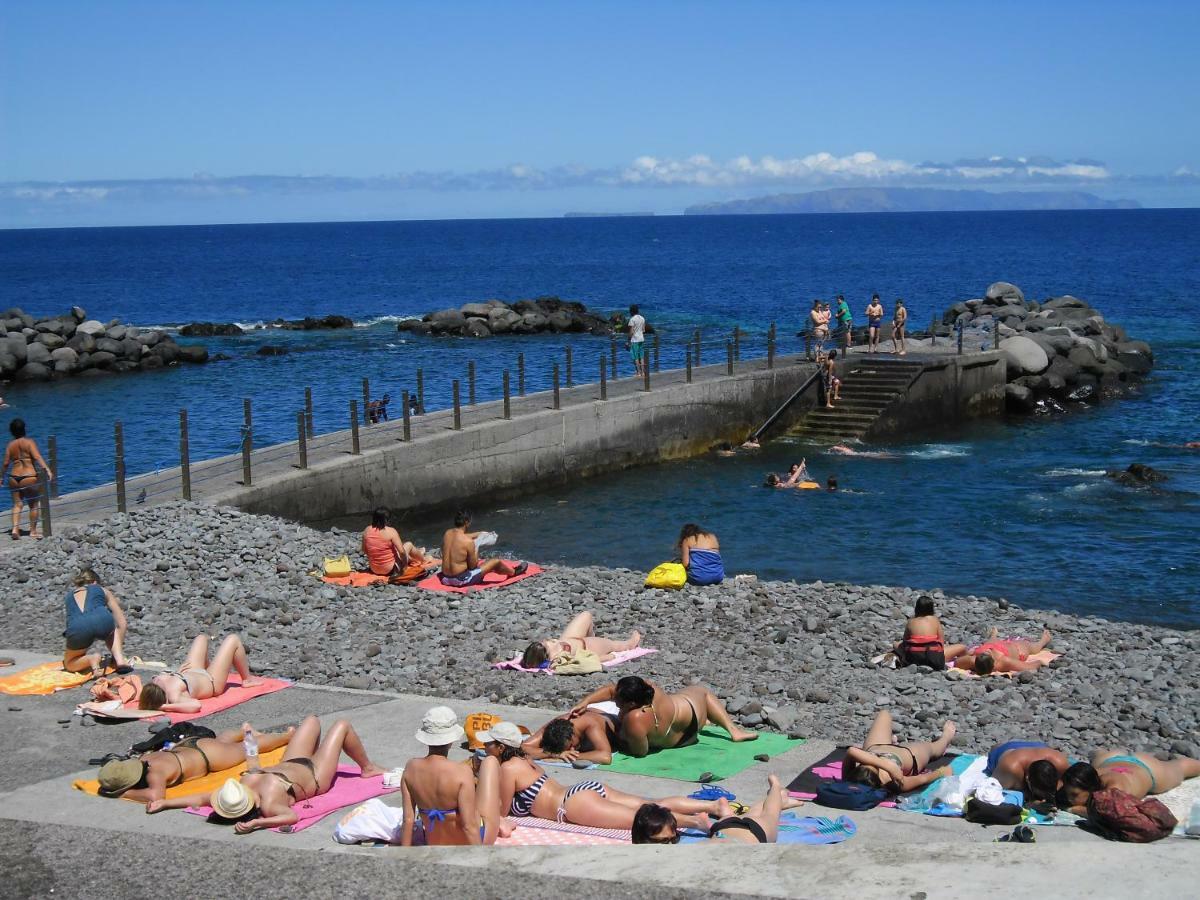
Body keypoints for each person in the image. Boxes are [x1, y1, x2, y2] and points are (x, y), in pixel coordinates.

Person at [148, 715, 386, 832]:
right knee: (342, 725)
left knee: (312, 720)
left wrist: (165, 803)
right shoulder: (271, 803)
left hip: (291, 762)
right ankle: (367, 768)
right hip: (314, 775)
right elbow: (291, 817)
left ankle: (319, 752)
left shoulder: (244, 784)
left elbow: (200, 798)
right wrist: (258, 824)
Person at [484, 720, 723, 830]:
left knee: (641, 819)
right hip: (582, 790)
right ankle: (713, 806)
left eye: (489, 745)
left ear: (501, 747)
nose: (485, 749)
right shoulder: (526, 759)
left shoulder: (507, 769)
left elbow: (501, 811)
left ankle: (696, 822)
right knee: (650, 804)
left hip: (572, 805)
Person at [97, 724, 294, 803]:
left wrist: (123, 793)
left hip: (207, 756)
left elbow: (155, 795)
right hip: (189, 747)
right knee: (224, 742)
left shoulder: (154, 774)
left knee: (249, 747)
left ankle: (287, 736)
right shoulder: (143, 760)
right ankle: (244, 729)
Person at [569, 675, 757, 757]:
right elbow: (611, 690)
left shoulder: (635, 719)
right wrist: (586, 702)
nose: (614, 700)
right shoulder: (648, 688)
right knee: (701, 692)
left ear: (632, 704)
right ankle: (733, 730)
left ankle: (728, 729)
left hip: (680, 738)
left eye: (618, 701)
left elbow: (640, 752)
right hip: (692, 711)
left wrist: (621, 733)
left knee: (699, 692)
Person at [400, 706, 508, 845]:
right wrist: (478, 858)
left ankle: (502, 822)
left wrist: (404, 855)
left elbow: (408, 820)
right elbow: (469, 826)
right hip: (468, 842)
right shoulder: (461, 772)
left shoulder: (410, 768)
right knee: (490, 762)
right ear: (451, 740)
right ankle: (503, 821)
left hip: (436, 841)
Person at [632, 774, 805, 844]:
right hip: (725, 828)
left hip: (746, 831)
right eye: (665, 841)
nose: (670, 845)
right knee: (754, 814)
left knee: (770, 812)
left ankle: (775, 787)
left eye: (673, 839)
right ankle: (781, 799)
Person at [138, 633, 262, 713]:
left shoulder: (157, 680)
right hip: (211, 681)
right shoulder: (174, 696)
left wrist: (176, 674)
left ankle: (213, 666)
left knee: (201, 638)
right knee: (233, 639)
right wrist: (164, 707)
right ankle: (247, 679)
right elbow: (195, 706)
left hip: (190, 672)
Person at [842, 710, 956, 794]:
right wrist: (941, 772)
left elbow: (852, 751)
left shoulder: (848, 776)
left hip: (877, 746)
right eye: (874, 767)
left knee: (884, 714)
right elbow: (923, 779)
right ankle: (946, 737)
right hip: (909, 755)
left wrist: (887, 766)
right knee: (935, 748)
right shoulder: (894, 782)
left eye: (864, 763)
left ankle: (891, 741)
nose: (871, 764)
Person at [1060, 751, 1200, 813]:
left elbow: (1106, 812)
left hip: (1148, 769)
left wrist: (1072, 809)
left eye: (1074, 794)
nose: (1069, 798)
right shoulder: (1086, 778)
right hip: (1109, 761)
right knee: (1097, 753)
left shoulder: (1115, 789)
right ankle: (1100, 751)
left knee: (1181, 767)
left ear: (1091, 788)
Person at [63, 568, 131, 677]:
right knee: (112, 631)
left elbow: (71, 620)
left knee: (69, 663)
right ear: (95, 582)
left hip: (78, 626)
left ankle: (91, 659)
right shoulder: (102, 590)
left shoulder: (69, 597)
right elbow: (122, 623)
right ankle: (119, 661)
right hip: (102, 619)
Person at [519, 610, 642, 669]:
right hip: (586, 646)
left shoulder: (546, 650)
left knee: (586, 615)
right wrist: (607, 658)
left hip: (570, 638)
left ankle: (592, 635)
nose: (547, 641)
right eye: (547, 644)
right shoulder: (558, 658)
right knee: (616, 646)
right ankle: (630, 644)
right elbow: (583, 661)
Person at [439, 509, 525, 588]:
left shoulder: (447, 533)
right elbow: (473, 567)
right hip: (460, 580)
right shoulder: (468, 542)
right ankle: (513, 572)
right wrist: (477, 545)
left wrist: (479, 534)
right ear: (467, 522)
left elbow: (460, 537)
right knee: (495, 562)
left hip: (445, 579)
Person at [3, 418, 52, 540]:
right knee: (33, 505)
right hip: (29, 476)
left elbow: (5, 463)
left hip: (14, 477)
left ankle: (15, 529)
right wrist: (47, 469)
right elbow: (37, 456)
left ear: (12, 431)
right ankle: (33, 531)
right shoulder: (29, 442)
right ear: (24, 429)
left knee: (17, 504)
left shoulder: (10, 445)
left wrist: (0, 477)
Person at [984, 740, 1072, 804]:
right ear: (1027, 779)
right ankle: (999, 745)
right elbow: (991, 791)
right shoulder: (1011, 769)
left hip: (1038, 746)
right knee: (996, 748)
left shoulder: (1060, 762)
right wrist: (1031, 802)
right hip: (1007, 750)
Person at [361, 507, 438, 578]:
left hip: (374, 569)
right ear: (386, 520)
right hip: (390, 570)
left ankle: (417, 555)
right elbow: (402, 552)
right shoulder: (391, 531)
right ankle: (423, 559)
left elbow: (364, 550)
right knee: (408, 545)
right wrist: (404, 566)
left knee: (394, 549)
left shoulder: (367, 530)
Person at [524, 709, 618, 765]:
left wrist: (571, 756)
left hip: (611, 716)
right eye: (568, 749)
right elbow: (523, 747)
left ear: (573, 734)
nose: (572, 749)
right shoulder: (552, 727)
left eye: (571, 745)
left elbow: (605, 757)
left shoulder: (589, 724)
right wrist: (555, 754)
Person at [945, 629, 1053, 675]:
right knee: (1031, 647)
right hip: (1015, 648)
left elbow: (957, 661)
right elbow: (1030, 667)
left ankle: (994, 635)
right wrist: (1040, 662)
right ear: (994, 663)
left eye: (983, 653)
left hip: (994, 644)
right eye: (988, 653)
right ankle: (1044, 640)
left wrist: (970, 653)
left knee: (990, 643)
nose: (988, 650)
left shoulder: (971, 660)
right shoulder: (1004, 662)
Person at [892, 595, 947, 670]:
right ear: (931, 609)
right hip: (933, 659)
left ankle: (905, 658)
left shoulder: (911, 621)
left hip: (913, 659)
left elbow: (905, 641)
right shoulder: (934, 619)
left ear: (917, 608)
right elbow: (941, 641)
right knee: (961, 647)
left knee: (896, 644)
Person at [627, 304, 647, 377]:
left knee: (635, 357)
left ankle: (638, 372)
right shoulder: (642, 318)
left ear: (631, 311)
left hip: (634, 340)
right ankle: (643, 372)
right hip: (641, 338)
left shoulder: (632, 319)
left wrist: (628, 340)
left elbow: (631, 332)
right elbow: (643, 330)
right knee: (641, 356)